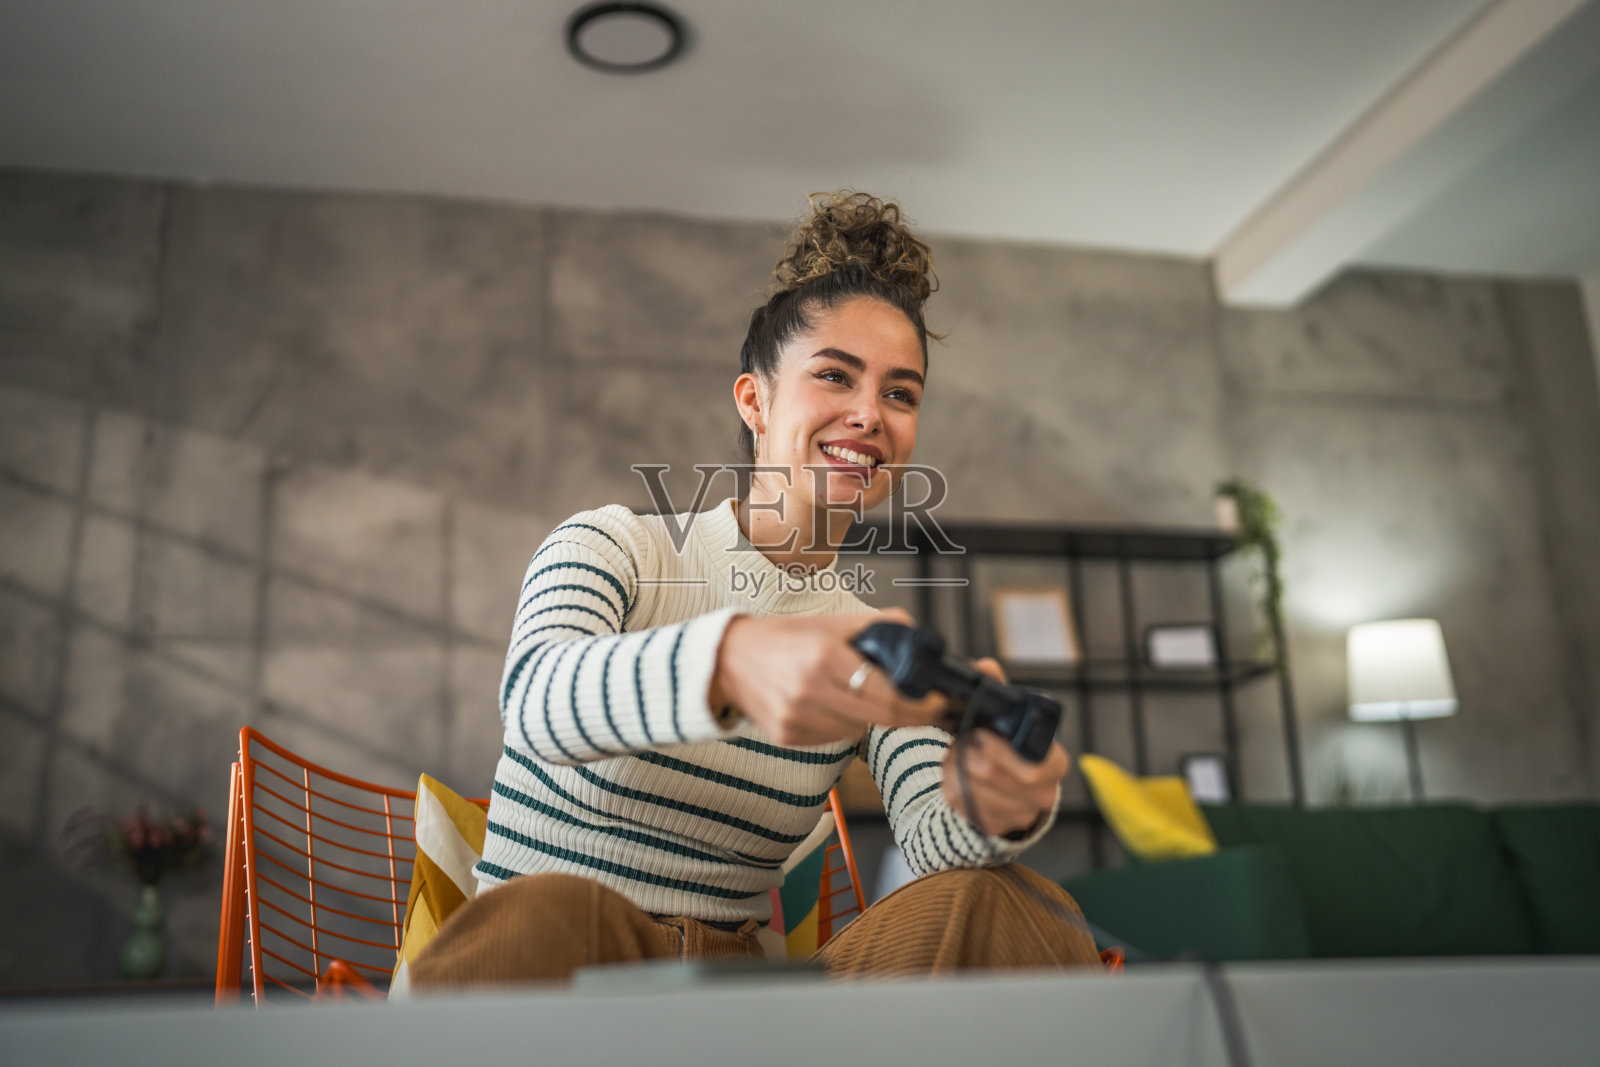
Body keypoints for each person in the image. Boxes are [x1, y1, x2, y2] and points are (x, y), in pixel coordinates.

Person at [411, 191, 1102, 988]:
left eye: (901, 393)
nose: (869, 414)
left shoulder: (868, 638)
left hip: (736, 990)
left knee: (1002, 899)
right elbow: (535, 701)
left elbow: (931, 837)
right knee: (548, 910)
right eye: (835, 376)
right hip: (562, 958)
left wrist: (993, 803)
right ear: (755, 399)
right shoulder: (612, 545)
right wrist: (729, 661)